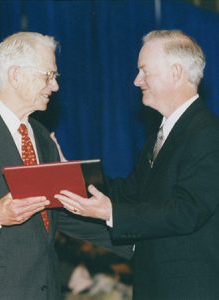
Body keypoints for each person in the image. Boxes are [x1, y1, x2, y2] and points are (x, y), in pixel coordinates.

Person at [0, 32, 132, 300]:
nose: (54, 87)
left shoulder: (42, 136)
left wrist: (136, 242)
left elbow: (60, 213)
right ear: (16, 74)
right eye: (48, 75)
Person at [55, 30, 219, 300]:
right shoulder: (162, 134)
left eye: (144, 71)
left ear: (175, 72)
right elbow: (130, 192)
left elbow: (187, 211)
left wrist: (112, 213)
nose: (136, 80)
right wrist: (72, 173)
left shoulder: (208, 134)